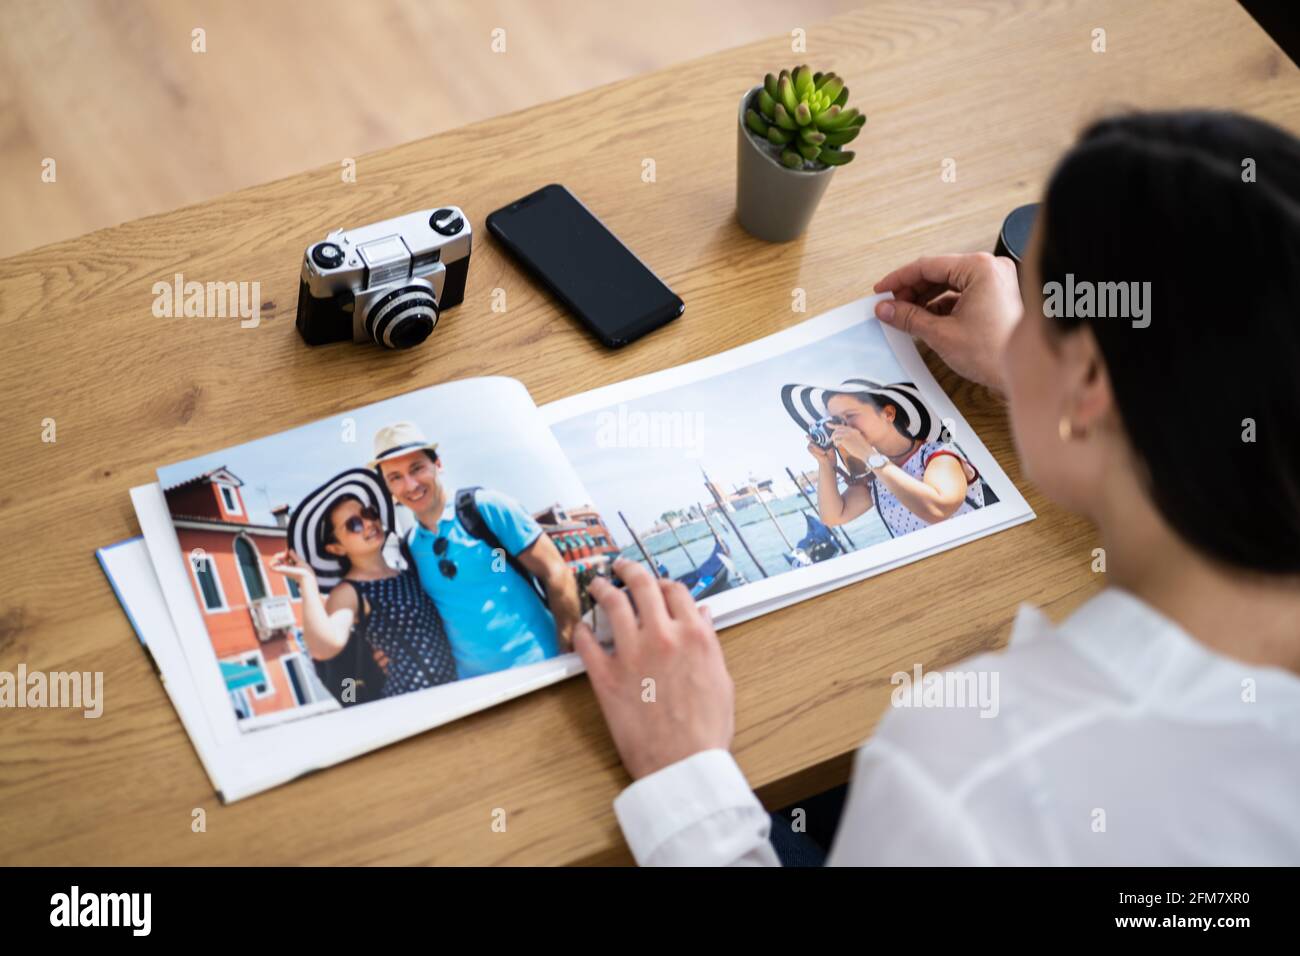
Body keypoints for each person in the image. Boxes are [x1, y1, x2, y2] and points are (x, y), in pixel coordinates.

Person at [571, 110, 1300, 865]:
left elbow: (942, 499)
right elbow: (839, 511)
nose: (1011, 332)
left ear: (1088, 384)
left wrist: (687, 779)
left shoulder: (969, 771)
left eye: (1030, 319)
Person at [371, 422, 581, 678]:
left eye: (417, 468)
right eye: (396, 477)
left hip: (544, 666)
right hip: (475, 690)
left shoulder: (486, 508)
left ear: (438, 465)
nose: (411, 484)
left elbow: (555, 571)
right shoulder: (409, 549)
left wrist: (567, 651)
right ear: (389, 488)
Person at [273, 468, 458, 704]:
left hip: (455, 690)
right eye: (354, 524)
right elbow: (324, 647)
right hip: (412, 704)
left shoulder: (407, 570)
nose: (369, 523)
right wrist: (307, 582)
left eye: (369, 513)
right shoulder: (349, 592)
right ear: (336, 548)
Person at [785, 378, 985, 537]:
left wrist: (867, 454)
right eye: (837, 421)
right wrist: (825, 463)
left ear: (888, 413)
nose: (843, 426)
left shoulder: (938, 454)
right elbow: (833, 516)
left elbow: (938, 509)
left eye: (851, 415)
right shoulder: (876, 476)